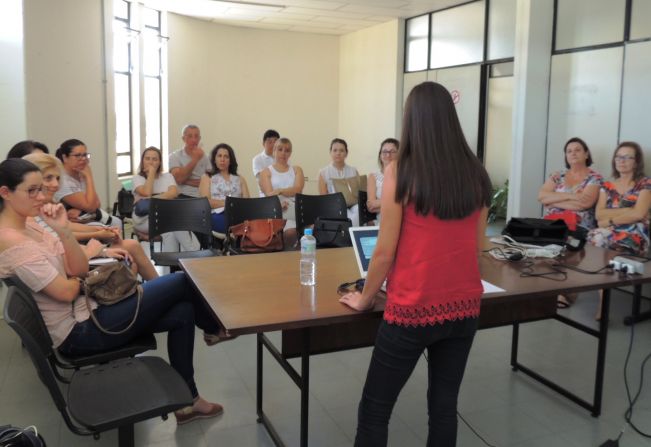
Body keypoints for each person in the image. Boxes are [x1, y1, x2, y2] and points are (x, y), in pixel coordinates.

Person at [0, 158, 224, 425]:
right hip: (79, 333)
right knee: (180, 282)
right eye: (32, 190)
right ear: (5, 193)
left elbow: (78, 266)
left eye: (42, 188)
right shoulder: (13, 242)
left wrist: (64, 233)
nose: (41, 196)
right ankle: (216, 328)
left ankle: (189, 402)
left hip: (90, 311)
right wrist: (75, 275)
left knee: (184, 311)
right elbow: (67, 291)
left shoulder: (31, 224)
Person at [338, 82, 491, 447]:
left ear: (412, 121)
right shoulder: (476, 172)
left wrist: (364, 298)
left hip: (413, 309)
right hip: (464, 307)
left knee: (375, 409)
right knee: (443, 407)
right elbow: (478, 248)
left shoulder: (399, 171)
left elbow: (385, 251)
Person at [22, 152, 159, 281]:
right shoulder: (32, 214)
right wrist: (99, 236)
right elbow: (86, 209)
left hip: (80, 245)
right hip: (73, 262)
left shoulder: (46, 205)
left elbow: (92, 206)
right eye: (78, 155)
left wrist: (101, 231)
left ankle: (149, 291)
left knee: (129, 253)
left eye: (85, 155)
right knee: (130, 251)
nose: (55, 184)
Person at [537, 137, 602, 308]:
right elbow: (542, 196)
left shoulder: (594, 178)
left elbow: (585, 204)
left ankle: (564, 293)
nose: (573, 153)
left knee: (567, 244)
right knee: (538, 241)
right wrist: (573, 196)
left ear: (586, 153)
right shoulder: (557, 175)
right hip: (553, 222)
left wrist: (553, 201)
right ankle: (545, 290)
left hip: (579, 225)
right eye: (569, 151)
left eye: (577, 150)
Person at [132, 146, 199, 252]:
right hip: (144, 219)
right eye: (147, 158)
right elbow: (146, 192)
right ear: (142, 161)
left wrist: (150, 199)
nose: (151, 162)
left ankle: (172, 264)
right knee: (176, 222)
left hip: (164, 216)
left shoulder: (167, 177)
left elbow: (173, 193)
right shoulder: (137, 178)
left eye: (154, 159)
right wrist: (151, 174)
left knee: (170, 231)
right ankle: (195, 253)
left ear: (159, 162)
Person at [53, 139, 122, 229]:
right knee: (105, 227)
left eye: (85, 155)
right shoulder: (63, 180)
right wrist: (89, 177)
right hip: (69, 224)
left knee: (117, 222)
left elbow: (97, 204)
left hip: (86, 218)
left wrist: (81, 209)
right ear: (65, 158)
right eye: (78, 155)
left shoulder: (81, 174)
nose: (83, 159)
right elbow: (91, 207)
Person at [259, 137, 305, 242]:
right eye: (280, 149)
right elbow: (270, 195)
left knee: (312, 227)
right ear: (274, 150)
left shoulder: (297, 170)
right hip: (277, 208)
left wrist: (280, 191)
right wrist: (279, 204)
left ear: (290, 153)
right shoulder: (266, 172)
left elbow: (298, 189)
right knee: (290, 232)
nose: (283, 153)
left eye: (287, 150)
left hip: (295, 207)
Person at [199, 143, 250, 233]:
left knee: (251, 223)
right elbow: (206, 202)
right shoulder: (207, 177)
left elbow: (247, 202)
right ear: (214, 159)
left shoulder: (240, 179)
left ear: (230, 160)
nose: (222, 159)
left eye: (226, 156)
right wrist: (229, 203)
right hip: (218, 214)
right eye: (219, 156)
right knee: (232, 224)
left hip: (239, 214)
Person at [318, 138, 360, 226]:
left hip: (353, 204)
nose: (338, 153)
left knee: (358, 210)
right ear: (330, 152)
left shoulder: (353, 171)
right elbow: (323, 197)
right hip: (334, 206)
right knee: (348, 215)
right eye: (335, 150)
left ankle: (353, 237)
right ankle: (349, 237)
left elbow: (359, 192)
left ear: (346, 153)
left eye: (341, 150)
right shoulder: (324, 172)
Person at [169, 125, 210, 198]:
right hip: (183, 195)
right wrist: (195, 159)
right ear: (183, 138)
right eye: (190, 136)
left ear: (199, 138)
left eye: (196, 136)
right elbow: (178, 179)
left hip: (203, 196)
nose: (194, 140)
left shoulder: (206, 157)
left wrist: (186, 181)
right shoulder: (174, 156)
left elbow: (211, 181)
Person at [366, 138, 399, 223]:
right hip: (382, 218)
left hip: (402, 217)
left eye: (392, 152)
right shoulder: (373, 176)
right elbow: (371, 206)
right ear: (380, 155)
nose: (388, 155)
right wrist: (397, 202)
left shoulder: (405, 176)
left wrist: (380, 203)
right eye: (384, 152)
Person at [252, 129, 279, 194]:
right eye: (269, 142)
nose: (273, 145)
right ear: (263, 144)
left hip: (283, 194)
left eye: (275, 142)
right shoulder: (257, 159)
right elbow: (262, 181)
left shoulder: (283, 158)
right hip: (265, 196)